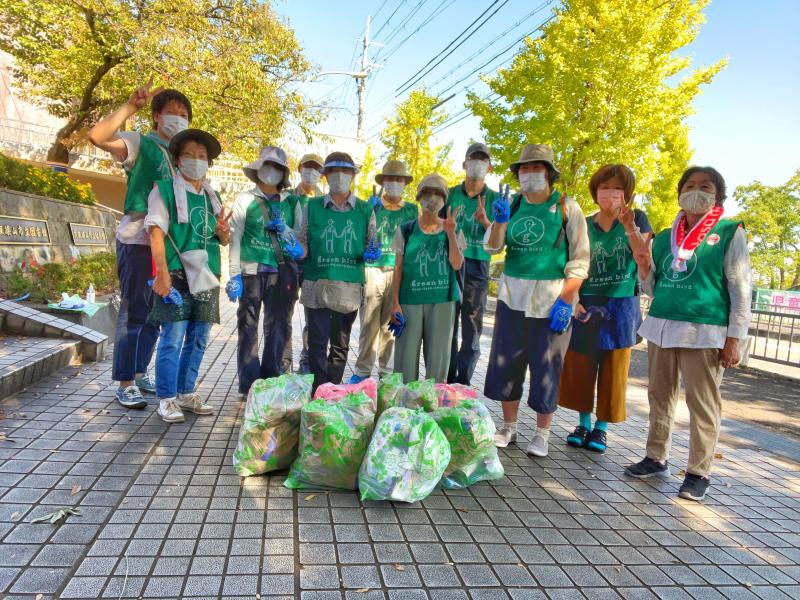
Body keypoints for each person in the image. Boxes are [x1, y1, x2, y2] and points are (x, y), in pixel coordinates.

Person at [625, 166, 751, 502]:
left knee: (703, 403)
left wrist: (735, 338)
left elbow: (740, 289)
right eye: (690, 185)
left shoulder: (728, 232)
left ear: (717, 195)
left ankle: (698, 472)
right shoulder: (666, 236)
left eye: (705, 186)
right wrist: (643, 263)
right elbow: (653, 286)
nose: (696, 190)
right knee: (659, 394)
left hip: (705, 331)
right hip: (663, 327)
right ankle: (655, 457)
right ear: (680, 192)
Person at [87, 78, 193, 409]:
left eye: (183, 114)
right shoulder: (139, 143)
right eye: (171, 112)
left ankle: (139, 370)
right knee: (134, 311)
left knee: (156, 314)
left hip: (169, 247)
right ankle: (125, 381)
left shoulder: (183, 159)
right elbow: (97, 137)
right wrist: (131, 107)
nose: (177, 119)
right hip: (137, 241)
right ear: (157, 117)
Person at [483, 144, 589, 457]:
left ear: (549, 173)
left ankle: (542, 433)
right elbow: (491, 247)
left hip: (551, 303)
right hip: (512, 299)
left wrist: (566, 300)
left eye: (536, 168)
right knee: (507, 365)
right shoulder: (511, 205)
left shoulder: (568, 207)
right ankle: (509, 427)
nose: (529, 174)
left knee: (547, 369)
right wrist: (499, 221)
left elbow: (581, 259)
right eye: (524, 169)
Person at [558, 164, 652, 453]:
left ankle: (601, 429)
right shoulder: (584, 223)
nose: (610, 193)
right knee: (580, 366)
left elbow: (644, 259)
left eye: (617, 188)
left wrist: (629, 228)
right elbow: (570, 259)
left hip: (621, 305)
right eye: (604, 187)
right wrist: (574, 300)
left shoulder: (638, 219)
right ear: (595, 191)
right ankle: (582, 422)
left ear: (627, 194)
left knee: (614, 369)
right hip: (586, 302)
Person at [144, 128, 229, 423]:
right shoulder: (164, 189)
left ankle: (187, 391)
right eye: (190, 155)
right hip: (176, 272)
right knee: (173, 336)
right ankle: (167, 398)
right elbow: (156, 231)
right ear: (177, 159)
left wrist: (224, 234)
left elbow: (221, 239)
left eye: (202, 156)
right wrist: (162, 275)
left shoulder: (212, 196)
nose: (196, 160)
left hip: (207, 272)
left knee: (200, 337)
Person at [297, 152, 378, 391]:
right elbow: (303, 241)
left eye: (345, 171)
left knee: (341, 344)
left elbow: (370, 242)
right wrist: (296, 248)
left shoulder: (364, 210)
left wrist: (372, 252)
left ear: (353, 176)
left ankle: (332, 390)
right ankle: (320, 391)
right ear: (326, 176)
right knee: (317, 341)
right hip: (317, 285)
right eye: (333, 171)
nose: (339, 176)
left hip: (349, 286)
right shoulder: (312, 207)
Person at [227, 146, 303, 395]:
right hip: (251, 272)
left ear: (283, 174)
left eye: (277, 168)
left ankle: (271, 379)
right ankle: (249, 383)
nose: (271, 172)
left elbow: (299, 242)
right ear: (258, 168)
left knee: (277, 325)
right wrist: (234, 273)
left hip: (281, 273)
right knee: (248, 326)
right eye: (267, 166)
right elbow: (235, 237)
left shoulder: (292, 202)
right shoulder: (244, 199)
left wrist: (286, 231)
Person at [349, 160, 419, 383]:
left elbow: (414, 240)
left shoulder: (411, 210)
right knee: (369, 324)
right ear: (383, 182)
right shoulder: (370, 206)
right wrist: (370, 212)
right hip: (372, 270)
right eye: (390, 179)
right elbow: (358, 235)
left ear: (405, 183)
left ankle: (386, 373)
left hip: (398, 271)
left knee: (390, 327)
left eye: (399, 180)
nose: (394, 184)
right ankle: (362, 371)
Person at [391, 174, 465, 383]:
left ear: (444, 199)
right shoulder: (406, 229)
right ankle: (405, 409)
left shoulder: (453, 228)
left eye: (437, 193)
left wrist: (450, 233)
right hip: (409, 301)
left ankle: (433, 406)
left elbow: (457, 264)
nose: (432, 198)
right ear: (419, 197)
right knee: (404, 361)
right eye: (427, 193)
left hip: (442, 301)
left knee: (438, 361)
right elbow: (398, 268)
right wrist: (394, 303)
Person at [445, 142, 498, 385]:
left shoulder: (496, 200)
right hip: (449, 265)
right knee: (447, 324)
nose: (477, 165)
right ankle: (445, 378)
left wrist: (486, 221)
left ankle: (462, 382)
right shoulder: (450, 194)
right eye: (473, 160)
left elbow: (500, 242)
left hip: (478, 265)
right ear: (464, 164)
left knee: (472, 326)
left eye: (482, 161)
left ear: (489, 167)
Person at [282, 153, 325, 374]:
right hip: (289, 263)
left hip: (313, 265)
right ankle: (284, 362)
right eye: (307, 167)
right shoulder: (288, 197)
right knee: (284, 313)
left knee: (313, 316)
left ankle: (307, 362)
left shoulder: (324, 202)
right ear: (299, 169)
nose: (311, 172)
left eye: (316, 168)